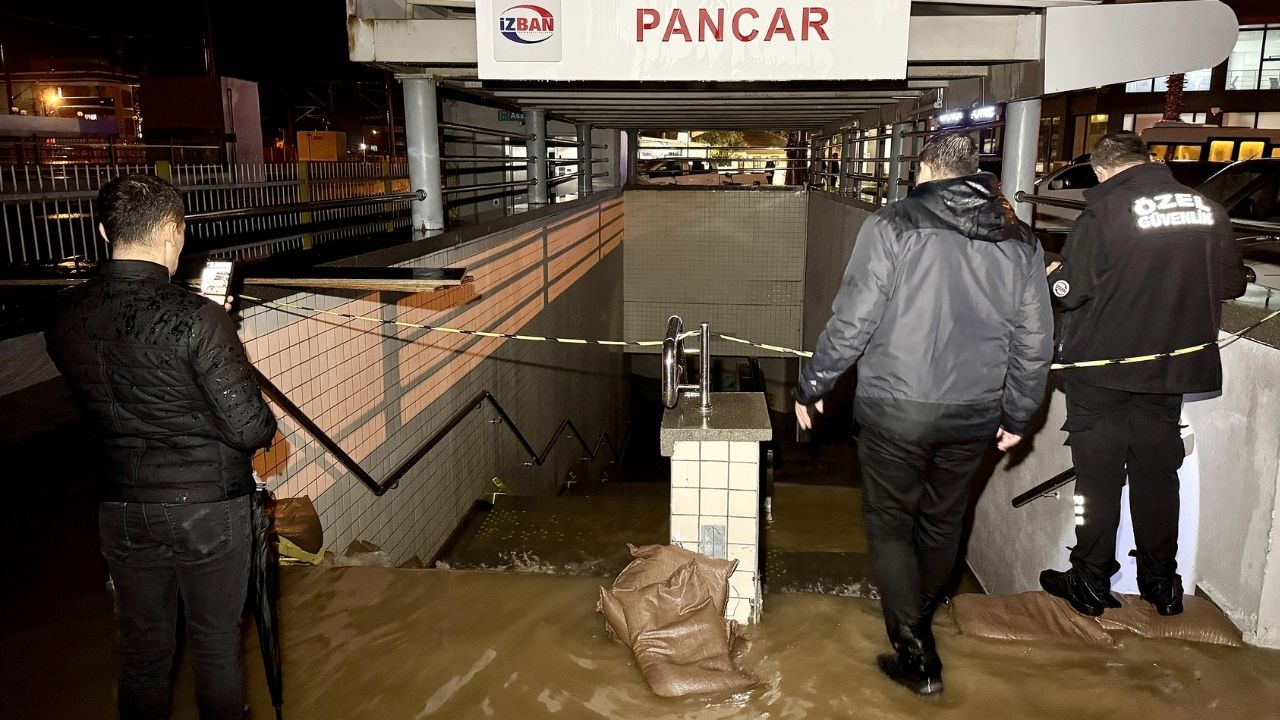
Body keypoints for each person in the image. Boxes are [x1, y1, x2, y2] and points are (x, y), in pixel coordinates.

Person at [795, 132, 1053, 695]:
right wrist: (1020, 410)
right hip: (975, 413)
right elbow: (1035, 340)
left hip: (895, 408)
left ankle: (916, 653)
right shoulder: (1021, 240)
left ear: (926, 169)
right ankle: (919, 625)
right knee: (943, 522)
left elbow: (854, 317)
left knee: (890, 523)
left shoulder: (892, 225)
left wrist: (815, 382)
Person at [45, 175, 277, 720]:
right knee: (216, 648)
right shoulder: (196, 317)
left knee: (144, 650)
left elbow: (123, 395)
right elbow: (252, 430)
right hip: (207, 512)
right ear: (174, 231)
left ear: (105, 231)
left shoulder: (63, 315)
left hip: (121, 508)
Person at [1040, 133, 1246, 618]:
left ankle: (1090, 578)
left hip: (1101, 371)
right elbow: (1233, 281)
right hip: (1169, 369)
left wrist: (1051, 271)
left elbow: (1070, 290)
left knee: (1096, 481)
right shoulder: (1206, 208)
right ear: (1149, 161)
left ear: (1102, 169)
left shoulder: (1104, 212)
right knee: (1158, 476)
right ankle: (1161, 583)